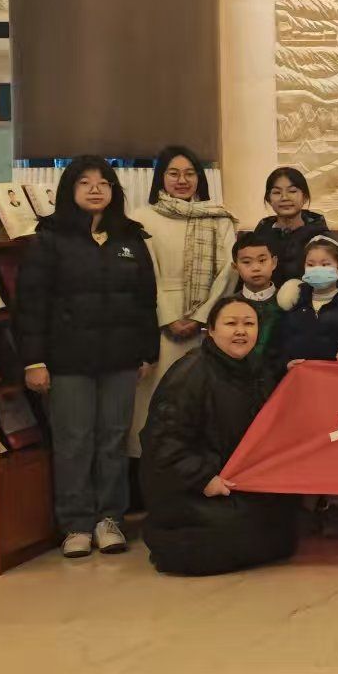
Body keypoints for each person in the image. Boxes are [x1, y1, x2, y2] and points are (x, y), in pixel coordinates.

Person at [15, 157, 160, 559]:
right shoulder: (49, 239)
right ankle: (76, 524)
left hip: (120, 359)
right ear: (69, 190)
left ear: (114, 190)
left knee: (113, 440)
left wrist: (147, 352)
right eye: (85, 182)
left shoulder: (130, 238)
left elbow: (145, 301)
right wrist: (33, 361)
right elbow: (31, 304)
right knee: (74, 441)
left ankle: (109, 519)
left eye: (103, 182)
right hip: (67, 361)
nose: (95, 189)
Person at [139, 297, 300, 576]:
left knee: (282, 524)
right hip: (194, 485)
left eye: (248, 324)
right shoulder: (190, 373)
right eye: (231, 323)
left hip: (236, 480)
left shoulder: (257, 369)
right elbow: (163, 442)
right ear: (210, 330)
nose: (241, 331)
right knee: (224, 533)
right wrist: (204, 479)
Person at [130, 146, 237, 461]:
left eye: (190, 173)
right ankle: (149, 467)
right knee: (154, 399)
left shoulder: (218, 217)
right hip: (157, 320)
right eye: (173, 173)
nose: (182, 180)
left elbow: (229, 270)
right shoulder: (141, 218)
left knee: (199, 400)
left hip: (207, 324)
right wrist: (167, 317)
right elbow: (144, 272)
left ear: (200, 178)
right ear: (160, 178)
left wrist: (202, 316)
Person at [273, 235, 338, 538]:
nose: (317, 269)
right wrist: (285, 363)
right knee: (303, 446)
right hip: (299, 388)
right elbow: (278, 343)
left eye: (324, 264)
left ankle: (336, 507)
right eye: (311, 264)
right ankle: (307, 505)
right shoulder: (293, 303)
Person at [207, 232, 282, 373]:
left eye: (262, 260)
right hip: (235, 376)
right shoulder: (227, 307)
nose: (256, 268)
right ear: (235, 267)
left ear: (274, 262)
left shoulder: (289, 303)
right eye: (247, 262)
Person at [253, 166, 332, 284]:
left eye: (292, 191)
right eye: (277, 192)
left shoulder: (320, 236)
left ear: (305, 197)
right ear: (269, 199)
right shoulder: (261, 234)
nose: (284, 198)